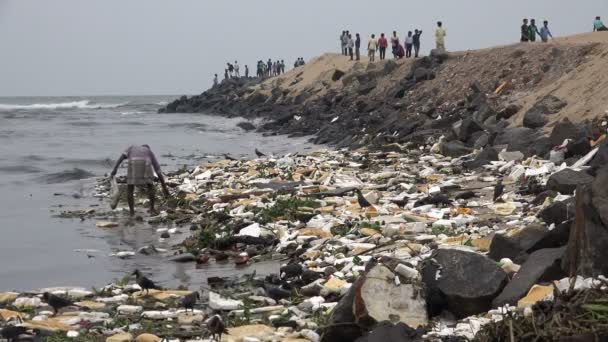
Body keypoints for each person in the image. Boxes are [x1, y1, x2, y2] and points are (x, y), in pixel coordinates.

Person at [110, 145, 170, 217]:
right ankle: (152, 209)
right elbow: (158, 171)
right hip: (146, 163)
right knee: (150, 186)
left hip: (133, 162)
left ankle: (132, 213)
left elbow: (121, 158)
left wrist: (115, 169)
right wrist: (164, 187)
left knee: (130, 189)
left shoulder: (131, 148)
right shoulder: (149, 152)